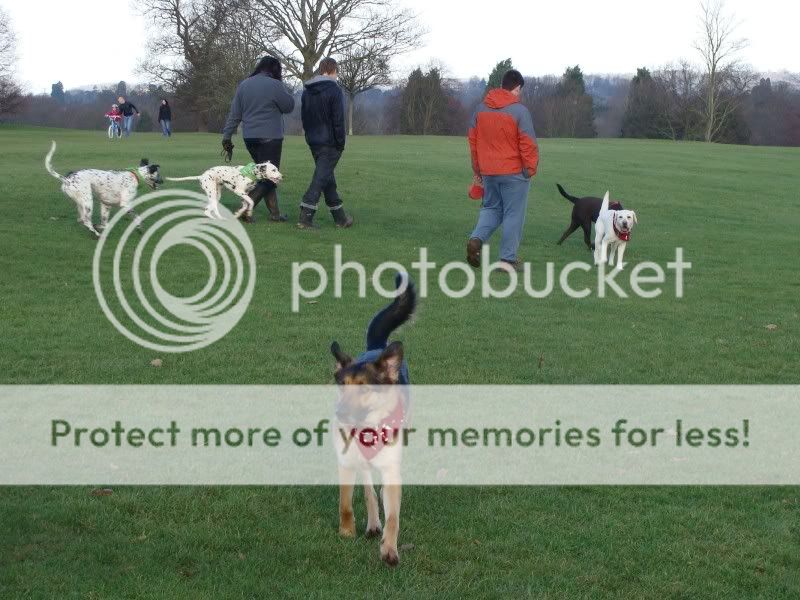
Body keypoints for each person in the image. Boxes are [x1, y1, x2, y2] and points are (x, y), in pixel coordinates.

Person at [466, 69, 539, 272]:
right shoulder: (520, 111)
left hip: (488, 171)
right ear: (516, 88)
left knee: (490, 209)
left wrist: (478, 169)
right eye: (520, 91)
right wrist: (529, 169)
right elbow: (528, 144)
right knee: (513, 214)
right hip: (514, 173)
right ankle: (507, 260)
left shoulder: (480, 110)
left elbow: (473, 141)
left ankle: (476, 239)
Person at [222, 56, 295, 223]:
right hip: (270, 138)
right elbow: (288, 106)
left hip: (250, 138)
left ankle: (275, 214)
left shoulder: (244, 85)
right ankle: (245, 208)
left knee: (265, 175)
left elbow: (235, 115)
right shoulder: (276, 85)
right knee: (271, 177)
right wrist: (284, 88)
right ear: (275, 70)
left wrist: (226, 136)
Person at [297, 57, 353, 229]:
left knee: (326, 177)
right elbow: (338, 120)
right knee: (320, 179)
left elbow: (304, 118)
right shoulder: (334, 90)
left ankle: (340, 218)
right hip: (330, 143)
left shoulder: (307, 91)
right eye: (336, 72)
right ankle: (305, 217)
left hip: (313, 141)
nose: (337, 76)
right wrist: (341, 143)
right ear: (332, 70)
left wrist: (309, 137)